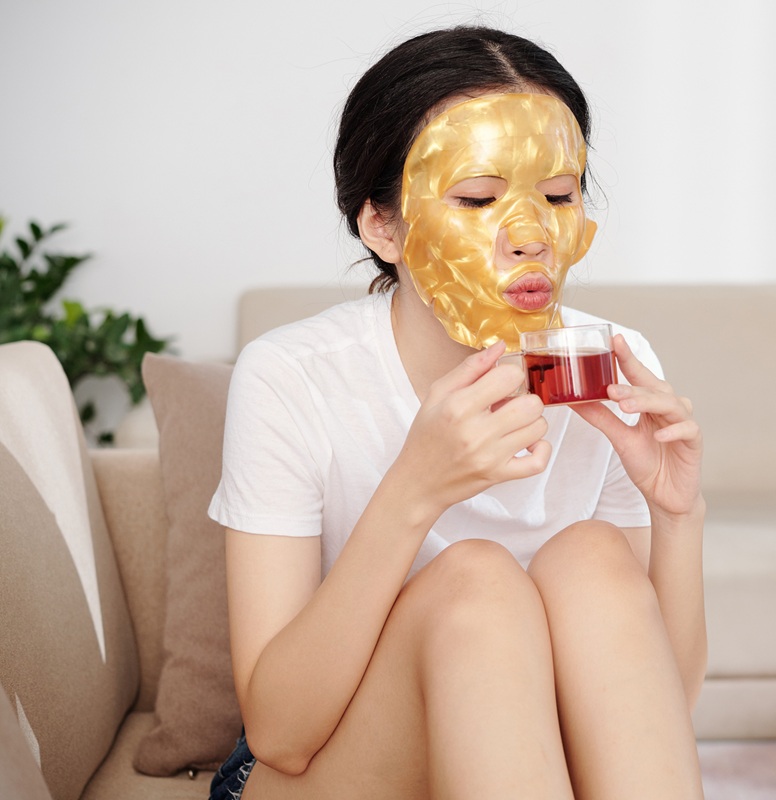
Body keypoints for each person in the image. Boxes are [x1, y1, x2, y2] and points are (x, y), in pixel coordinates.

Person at [207, 24, 706, 800]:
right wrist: (416, 487)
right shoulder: (291, 376)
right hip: (325, 769)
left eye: (558, 195)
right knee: (477, 582)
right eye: (477, 198)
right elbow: (279, 735)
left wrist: (677, 514)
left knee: (590, 558)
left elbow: (648, 720)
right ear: (382, 226)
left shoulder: (611, 368)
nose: (531, 237)